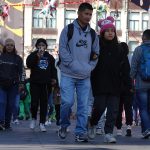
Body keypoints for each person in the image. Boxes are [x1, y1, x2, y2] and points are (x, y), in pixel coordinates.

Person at [58, 2, 99, 142]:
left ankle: (80, 132)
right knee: (67, 103)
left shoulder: (93, 34)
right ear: (79, 13)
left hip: (85, 76)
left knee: (83, 106)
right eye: (86, 14)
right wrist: (73, 65)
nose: (88, 17)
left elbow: (96, 53)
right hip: (68, 74)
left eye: (90, 14)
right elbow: (62, 50)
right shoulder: (68, 29)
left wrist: (90, 67)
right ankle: (63, 125)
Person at [88, 16, 130, 143]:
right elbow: (91, 64)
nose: (110, 33)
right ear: (102, 33)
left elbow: (126, 68)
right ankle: (93, 123)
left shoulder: (120, 48)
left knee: (113, 111)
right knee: (99, 107)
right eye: (107, 30)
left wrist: (128, 84)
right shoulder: (96, 47)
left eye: (112, 30)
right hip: (100, 83)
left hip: (116, 84)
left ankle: (108, 133)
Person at [26, 38, 57, 132]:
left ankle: (42, 122)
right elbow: (28, 64)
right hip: (35, 83)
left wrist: (54, 78)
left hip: (46, 84)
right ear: (36, 46)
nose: (41, 47)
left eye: (43, 45)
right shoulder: (32, 55)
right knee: (34, 102)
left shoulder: (50, 57)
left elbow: (53, 69)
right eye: (39, 45)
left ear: (46, 47)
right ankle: (34, 118)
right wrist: (37, 57)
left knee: (44, 103)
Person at [0, 38, 25, 130]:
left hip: (13, 85)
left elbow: (22, 72)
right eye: (7, 45)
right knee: (2, 102)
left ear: (14, 47)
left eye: (11, 45)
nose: (9, 47)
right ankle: (1, 122)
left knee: (11, 105)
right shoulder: (1, 57)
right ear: (5, 46)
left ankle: (7, 124)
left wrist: (22, 83)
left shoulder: (18, 59)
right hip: (1, 85)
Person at [130, 29, 150, 139]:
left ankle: (146, 130)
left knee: (143, 108)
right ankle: (146, 129)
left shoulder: (138, 50)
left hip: (141, 83)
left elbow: (133, 67)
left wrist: (131, 81)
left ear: (144, 38)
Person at [115, 42, 133, 137]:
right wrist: (131, 87)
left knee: (119, 108)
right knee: (128, 107)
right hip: (128, 87)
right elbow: (129, 75)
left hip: (118, 88)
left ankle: (118, 129)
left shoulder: (116, 59)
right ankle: (129, 126)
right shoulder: (128, 59)